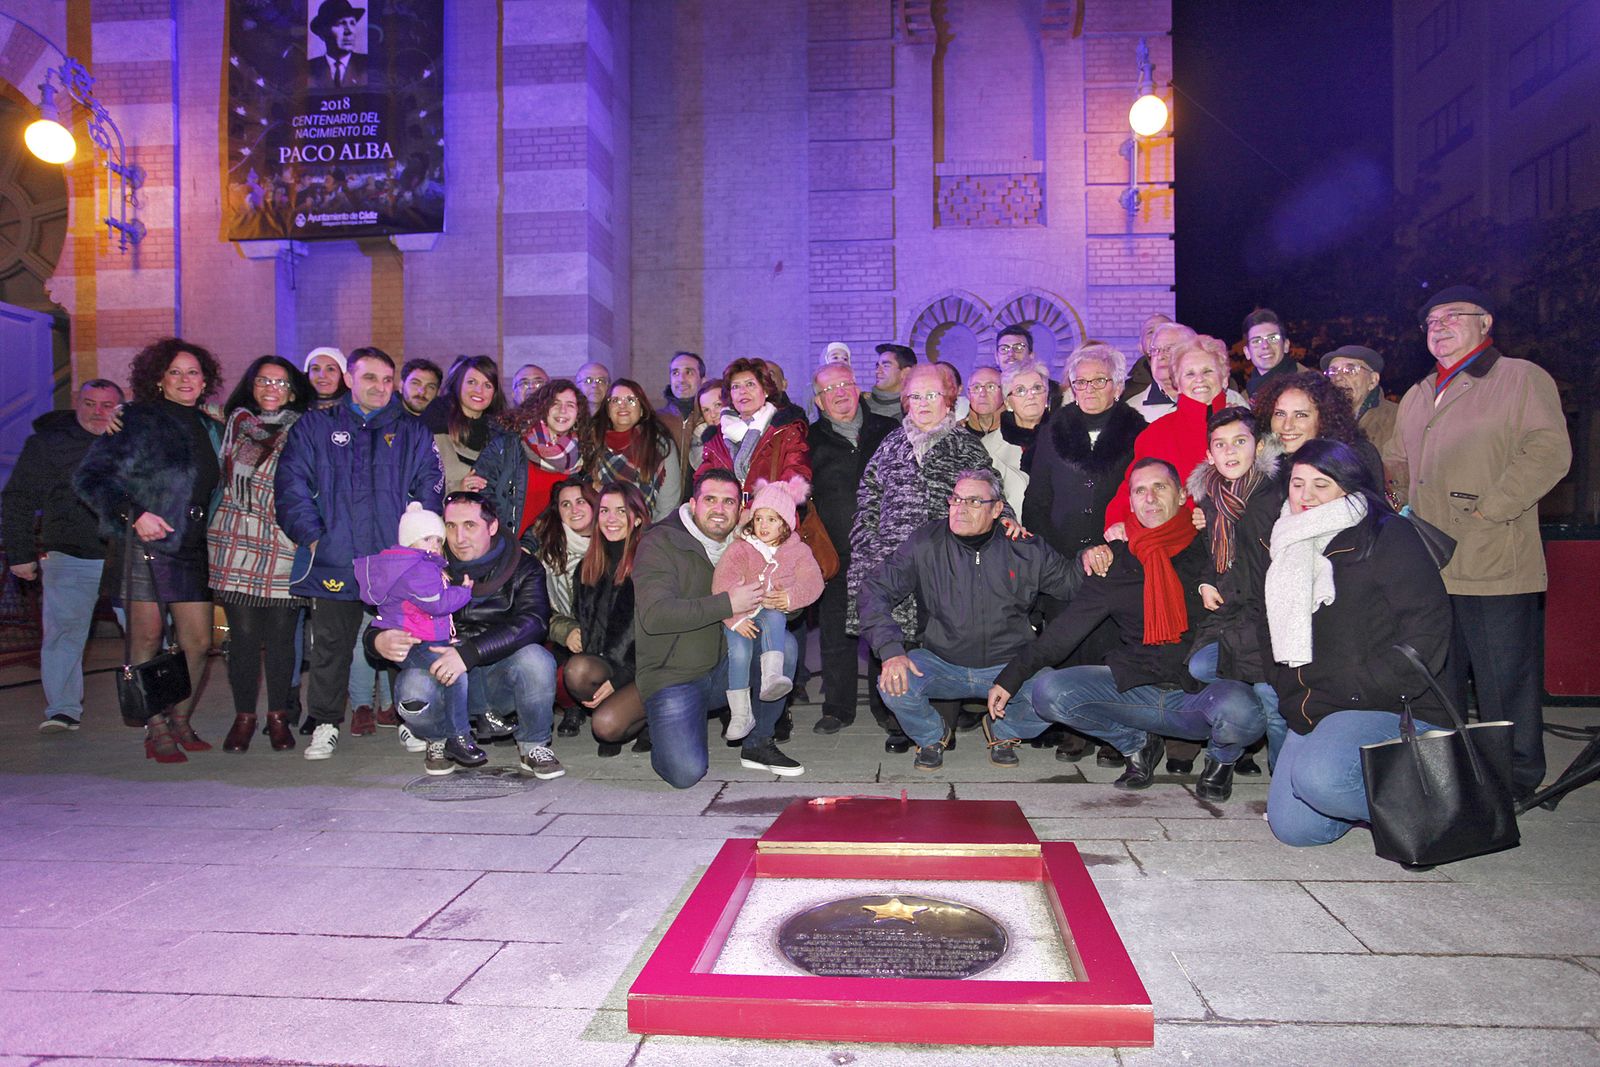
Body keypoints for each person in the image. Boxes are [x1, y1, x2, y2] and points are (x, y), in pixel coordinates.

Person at [1383, 285, 1571, 801]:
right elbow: (1395, 461)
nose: (1437, 326)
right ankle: (1458, 777)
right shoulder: (1420, 393)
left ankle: (1516, 782)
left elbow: (1549, 452)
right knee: (1441, 681)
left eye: (1451, 317)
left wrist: (1492, 508)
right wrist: (1397, 501)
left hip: (1493, 557)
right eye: (1430, 322)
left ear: (1485, 323)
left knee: (1503, 680)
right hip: (1429, 561)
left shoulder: (1519, 379)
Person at [989, 459, 1265, 800]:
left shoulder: (1209, 547)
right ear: (1131, 501)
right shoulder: (1115, 559)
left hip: (1198, 692)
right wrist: (1010, 676)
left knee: (1245, 712)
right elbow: (1065, 631)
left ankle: (1221, 762)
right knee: (1049, 691)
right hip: (1136, 688)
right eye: (1140, 491)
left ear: (1181, 496)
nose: (1149, 498)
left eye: (1159, 487)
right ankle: (1136, 745)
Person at [1263, 440, 1454, 846]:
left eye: (1322, 484)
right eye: (1297, 484)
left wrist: (1359, 686)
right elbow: (1277, 636)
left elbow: (1428, 628)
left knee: (1320, 780)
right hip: (1316, 704)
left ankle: (1438, 817)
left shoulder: (1387, 534)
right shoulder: (1289, 542)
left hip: (1387, 702)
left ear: (1349, 487)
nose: (1306, 496)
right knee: (1296, 829)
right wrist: (1287, 690)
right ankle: (1374, 798)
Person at [275, 346, 444, 761]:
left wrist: (417, 544)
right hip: (337, 556)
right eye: (370, 378)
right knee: (331, 644)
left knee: (404, 643)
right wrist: (316, 538)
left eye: (388, 381)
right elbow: (290, 486)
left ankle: (410, 720)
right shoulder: (315, 427)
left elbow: (431, 486)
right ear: (349, 379)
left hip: (396, 563)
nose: (380, 388)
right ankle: (326, 722)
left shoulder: (412, 432)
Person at [863, 470, 1080, 771]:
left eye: (975, 501)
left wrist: (1094, 556)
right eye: (956, 499)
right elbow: (875, 589)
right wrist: (890, 650)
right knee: (893, 683)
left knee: (1057, 695)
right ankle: (932, 736)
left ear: (996, 509)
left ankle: (1004, 732)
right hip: (943, 662)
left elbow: (1070, 583)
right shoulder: (926, 542)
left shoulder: (1025, 548)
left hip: (1009, 667)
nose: (961, 507)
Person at [846, 363, 1012, 752]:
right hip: (894, 560)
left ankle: (940, 727)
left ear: (949, 399)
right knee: (892, 638)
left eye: (932, 395)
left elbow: (991, 494)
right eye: (915, 396)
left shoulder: (965, 445)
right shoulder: (890, 445)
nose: (922, 403)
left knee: (941, 643)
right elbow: (868, 498)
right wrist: (867, 545)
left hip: (947, 566)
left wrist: (1008, 523)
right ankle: (900, 724)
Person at [75, 338, 225, 763]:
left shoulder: (211, 425)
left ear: (205, 379)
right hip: (146, 541)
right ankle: (154, 724)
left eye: (193, 372)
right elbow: (90, 479)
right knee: (145, 636)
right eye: (175, 372)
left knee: (198, 641)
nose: (185, 380)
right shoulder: (135, 419)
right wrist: (134, 513)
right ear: (158, 379)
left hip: (193, 543)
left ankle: (179, 717)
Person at [368, 492, 563, 778]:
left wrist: (469, 653)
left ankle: (533, 744)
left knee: (537, 660)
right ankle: (439, 739)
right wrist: (376, 641)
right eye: (450, 526)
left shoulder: (522, 565)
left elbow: (534, 622)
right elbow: (385, 613)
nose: (458, 537)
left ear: (492, 527)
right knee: (412, 688)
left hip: (497, 675)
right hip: (438, 673)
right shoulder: (421, 563)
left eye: (469, 526)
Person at [633, 468, 803, 785]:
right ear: (693, 503)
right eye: (710, 499)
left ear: (741, 510)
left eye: (728, 502)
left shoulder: (750, 544)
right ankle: (664, 726)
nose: (719, 509)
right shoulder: (661, 543)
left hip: (726, 667)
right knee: (685, 773)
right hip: (675, 677)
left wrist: (786, 600)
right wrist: (728, 603)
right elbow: (655, 615)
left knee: (786, 645)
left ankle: (758, 743)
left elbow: (780, 602)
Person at [2, 378, 124, 732]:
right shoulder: (48, 445)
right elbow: (19, 497)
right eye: (89, 403)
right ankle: (62, 709)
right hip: (71, 555)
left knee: (148, 634)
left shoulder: (133, 441)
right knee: (63, 635)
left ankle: (154, 710)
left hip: (126, 557)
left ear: (120, 407)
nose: (97, 412)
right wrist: (20, 553)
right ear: (76, 402)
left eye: (107, 405)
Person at [207, 356, 312, 754]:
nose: (272, 388)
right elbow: (179, 405)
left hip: (284, 540)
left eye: (281, 382)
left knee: (284, 639)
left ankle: (279, 716)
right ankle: (244, 716)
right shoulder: (231, 424)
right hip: (234, 539)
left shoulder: (304, 429)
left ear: (292, 389)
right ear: (251, 385)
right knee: (245, 637)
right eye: (264, 380)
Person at [1184, 406, 1284, 767]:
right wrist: (1206, 582)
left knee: (1274, 704)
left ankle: (1284, 786)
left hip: (1267, 615)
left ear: (1257, 447)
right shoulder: (1213, 497)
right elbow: (1213, 555)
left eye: (1239, 442)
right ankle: (1246, 722)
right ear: (1209, 455)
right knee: (1199, 665)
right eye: (1220, 445)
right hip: (1231, 613)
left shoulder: (1274, 495)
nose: (1230, 451)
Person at [353, 502, 478, 771]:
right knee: (453, 675)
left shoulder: (408, 564)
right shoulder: (417, 567)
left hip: (421, 637)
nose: (434, 544)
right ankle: (456, 735)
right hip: (418, 641)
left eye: (437, 539)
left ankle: (454, 733)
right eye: (426, 538)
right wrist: (464, 591)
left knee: (451, 672)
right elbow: (436, 603)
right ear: (410, 541)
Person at [806, 363, 896, 735]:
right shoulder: (809, 440)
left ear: (858, 388)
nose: (840, 392)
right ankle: (838, 707)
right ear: (819, 401)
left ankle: (887, 705)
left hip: (885, 553)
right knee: (836, 632)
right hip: (836, 554)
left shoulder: (888, 429)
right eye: (831, 389)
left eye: (846, 384)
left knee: (885, 630)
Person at [713, 481, 824, 738]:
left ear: (785, 523)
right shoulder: (741, 547)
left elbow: (814, 581)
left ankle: (772, 676)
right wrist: (735, 619)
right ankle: (741, 715)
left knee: (775, 615)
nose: (763, 525)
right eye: (759, 518)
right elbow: (722, 583)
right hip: (740, 615)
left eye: (772, 519)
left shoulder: (796, 550)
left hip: (768, 614)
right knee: (739, 653)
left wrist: (790, 597)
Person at [554, 483, 651, 756]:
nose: (611, 519)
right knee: (577, 670)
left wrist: (622, 677)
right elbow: (584, 624)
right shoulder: (589, 565)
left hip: (650, 669)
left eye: (622, 511)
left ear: (639, 517)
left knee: (606, 727)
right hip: (607, 662)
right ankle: (619, 708)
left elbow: (654, 636)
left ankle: (650, 721)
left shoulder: (651, 561)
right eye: (605, 511)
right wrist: (570, 631)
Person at [1102, 342, 1229, 539]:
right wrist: (1117, 520)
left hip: (1238, 542)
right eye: (1190, 374)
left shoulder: (1245, 427)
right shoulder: (1158, 433)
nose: (1199, 380)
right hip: (1180, 546)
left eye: (1207, 371)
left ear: (1225, 378)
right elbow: (1133, 485)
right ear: (1177, 382)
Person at [475, 378, 597, 541]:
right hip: (500, 542)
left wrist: (531, 542)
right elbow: (481, 490)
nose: (562, 410)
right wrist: (502, 537)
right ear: (543, 407)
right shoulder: (509, 444)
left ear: (578, 414)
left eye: (570, 405)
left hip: (544, 548)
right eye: (555, 403)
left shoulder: (580, 459)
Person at [526, 478, 597, 737]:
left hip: (609, 635)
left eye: (581, 501)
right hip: (563, 632)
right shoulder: (547, 549)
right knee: (550, 667)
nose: (574, 509)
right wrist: (565, 631)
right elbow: (536, 606)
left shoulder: (612, 541)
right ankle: (571, 707)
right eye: (565, 504)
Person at [696, 358, 811, 503]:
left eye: (750, 384)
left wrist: (756, 510)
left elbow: (796, 477)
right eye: (735, 387)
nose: (743, 391)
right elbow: (703, 483)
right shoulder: (716, 438)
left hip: (770, 518)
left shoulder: (786, 431)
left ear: (766, 390)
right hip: (727, 519)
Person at [594, 378, 684, 521]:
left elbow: (669, 506)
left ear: (642, 410)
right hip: (601, 529)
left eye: (631, 400)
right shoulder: (593, 443)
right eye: (615, 400)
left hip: (646, 532)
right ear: (608, 410)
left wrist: (649, 536)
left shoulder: (660, 446)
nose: (622, 405)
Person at [424, 355, 507, 493]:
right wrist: (457, 488)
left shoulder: (501, 436)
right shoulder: (434, 425)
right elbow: (417, 483)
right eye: (471, 382)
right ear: (458, 384)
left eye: (487, 385)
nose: (479, 390)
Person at [982, 359, 1051, 514]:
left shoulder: (1065, 439)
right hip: (1008, 532)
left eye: (1037, 388)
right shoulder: (987, 447)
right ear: (1008, 402)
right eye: (1020, 390)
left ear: (1046, 395)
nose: (1030, 396)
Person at [1320, 345, 1397, 462]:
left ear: (1373, 380)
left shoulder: (1396, 418)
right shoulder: (1320, 417)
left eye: (1350, 370)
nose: (1338, 377)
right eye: (1333, 371)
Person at [1126, 321, 1193, 423]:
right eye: (1155, 350)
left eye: (1169, 349)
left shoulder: (1221, 402)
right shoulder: (1132, 410)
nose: (1160, 356)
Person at [308, 0, 368, 89]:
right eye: (341, 23)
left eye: (352, 23)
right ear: (324, 32)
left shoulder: (367, 64)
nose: (349, 31)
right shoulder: (310, 69)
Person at [1241, 308, 1299, 398]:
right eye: (1256, 341)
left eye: (1273, 338)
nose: (1265, 346)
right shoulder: (1244, 399)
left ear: (1286, 345)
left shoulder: (1310, 386)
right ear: (1247, 352)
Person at [1120, 312, 1172, 402]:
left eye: (1165, 330)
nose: (1158, 335)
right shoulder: (1126, 393)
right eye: (1150, 332)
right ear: (1140, 346)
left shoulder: (1193, 382)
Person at [863, 343, 915, 420]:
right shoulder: (861, 405)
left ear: (905, 372)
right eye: (877, 366)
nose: (877, 371)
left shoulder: (915, 411)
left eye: (886, 366)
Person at [962, 366, 1004, 436]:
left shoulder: (1018, 430)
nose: (983, 394)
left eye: (991, 387)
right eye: (976, 387)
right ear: (969, 394)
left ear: (1003, 393)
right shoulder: (956, 437)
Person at [662, 351, 705, 420]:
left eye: (688, 372)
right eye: (675, 373)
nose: (681, 379)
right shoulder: (656, 421)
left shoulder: (714, 419)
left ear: (703, 381)